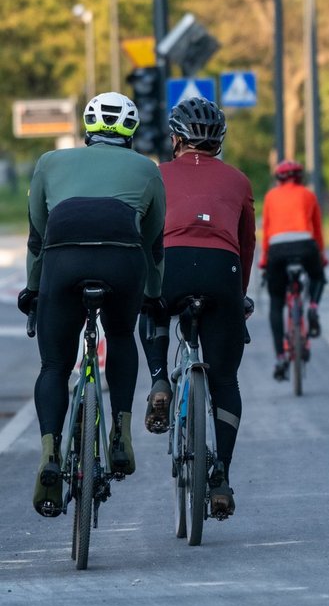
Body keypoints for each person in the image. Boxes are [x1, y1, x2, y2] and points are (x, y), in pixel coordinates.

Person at [19, 91, 166, 517]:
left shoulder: (49, 163)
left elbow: (36, 238)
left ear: (88, 127)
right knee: (120, 335)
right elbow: (153, 244)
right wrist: (153, 297)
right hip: (122, 261)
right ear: (131, 131)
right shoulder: (147, 169)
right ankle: (120, 431)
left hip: (63, 262)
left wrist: (33, 291)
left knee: (53, 366)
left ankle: (50, 452)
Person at [138, 97, 255, 518]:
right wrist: (237, 295)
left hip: (171, 266)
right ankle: (220, 476)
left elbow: (144, 233)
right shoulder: (239, 180)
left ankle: (158, 382)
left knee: (150, 309)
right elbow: (246, 245)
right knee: (226, 380)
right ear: (218, 142)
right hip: (222, 272)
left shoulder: (156, 174)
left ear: (175, 139)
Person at [259, 159, 328, 381]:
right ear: (300, 177)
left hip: (277, 250)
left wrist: (264, 261)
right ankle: (314, 306)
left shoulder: (271, 196)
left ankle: (280, 356)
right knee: (318, 277)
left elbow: (267, 231)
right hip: (306, 245)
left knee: (276, 303)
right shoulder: (309, 195)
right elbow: (317, 230)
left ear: (278, 178)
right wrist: (321, 257)